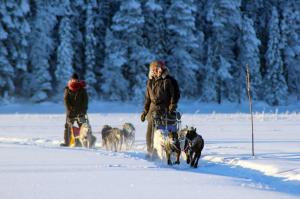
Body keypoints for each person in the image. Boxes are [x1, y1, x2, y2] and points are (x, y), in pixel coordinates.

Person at [140, 60, 177, 157]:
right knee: (151, 130)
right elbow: (147, 99)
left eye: (161, 68)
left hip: (165, 108)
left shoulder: (168, 81)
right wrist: (144, 112)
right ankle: (150, 151)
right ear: (152, 70)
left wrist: (172, 107)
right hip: (152, 109)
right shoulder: (149, 82)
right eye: (156, 69)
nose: (159, 70)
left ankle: (171, 150)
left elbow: (174, 96)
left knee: (167, 130)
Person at [60, 73, 88, 147]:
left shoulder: (82, 89)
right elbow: (66, 100)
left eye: (76, 79)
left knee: (83, 127)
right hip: (70, 112)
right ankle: (67, 143)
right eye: (73, 79)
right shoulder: (67, 89)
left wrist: (83, 110)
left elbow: (85, 101)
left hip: (80, 112)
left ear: (78, 80)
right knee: (68, 127)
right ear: (71, 80)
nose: (74, 80)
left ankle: (85, 143)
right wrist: (69, 109)